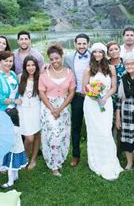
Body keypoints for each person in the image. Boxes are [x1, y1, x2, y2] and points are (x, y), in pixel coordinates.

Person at [81, 43, 122, 180]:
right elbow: (83, 88)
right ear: (92, 54)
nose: (97, 54)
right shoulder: (88, 69)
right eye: (95, 52)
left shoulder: (111, 68)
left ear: (104, 54)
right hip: (91, 105)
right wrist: (93, 94)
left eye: (100, 52)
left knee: (105, 131)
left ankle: (109, 160)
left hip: (106, 102)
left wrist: (104, 97)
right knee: (94, 132)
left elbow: (114, 87)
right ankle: (96, 161)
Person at [39, 44, 75, 176]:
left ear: (61, 57)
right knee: (52, 135)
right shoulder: (44, 73)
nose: (55, 61)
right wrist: (52, 109)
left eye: (57, 58)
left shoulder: (69, 72)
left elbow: (71, 93)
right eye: (52, 59)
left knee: (62, 135)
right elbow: (41, 92)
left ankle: (60, 158)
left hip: (64, 107)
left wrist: (60, 108)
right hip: (48, 106)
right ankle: (53, 165)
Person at [0, 51, 20, 172]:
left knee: (9, 138)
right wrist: (15, 101)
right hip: (0, 111)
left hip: (12, 111)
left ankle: (7, 163)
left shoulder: (12, 74)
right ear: (0, 62)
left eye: (11, 61)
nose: (8, 63)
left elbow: (16, 91)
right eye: (6, 61)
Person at [63, 33, 90, 167]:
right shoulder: (68, 58)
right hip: (76, 97)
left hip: (92, 97)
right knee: (76, 126)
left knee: (93, 126)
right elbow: (61, 72)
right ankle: (75, 155)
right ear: (75, 44)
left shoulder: (95, 56)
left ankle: (94, 155)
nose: (81, 46)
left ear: (88, 44)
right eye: (79, 43)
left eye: (84, 43)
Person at [17, 55, 42, 170]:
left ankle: (33, 159)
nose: (31, 67)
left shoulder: (40, 78)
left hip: (36, 109)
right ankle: (25, 158)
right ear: (24, 66)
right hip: (23, 110)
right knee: (29, 138)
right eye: (28, 65)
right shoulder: (19, 77)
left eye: (33, 65)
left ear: (36, 66)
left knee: (36, 134)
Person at [1, 108, 28, 189]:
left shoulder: (12, 130)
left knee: (10, 167)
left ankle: (10, 182)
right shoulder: (15, 126)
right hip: (18, 150)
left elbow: (11, 142)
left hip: (13, 151)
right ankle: (15, 177)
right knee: (15, 166)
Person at [107, 41, 126, 156]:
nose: (114, 51)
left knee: (120, 126)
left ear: (120, 50)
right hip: (109, 99)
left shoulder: (126, 63)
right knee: (109, 126)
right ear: (108, 53)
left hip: (124, 99)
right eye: (111, 50)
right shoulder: (105, 65)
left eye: (116, 49)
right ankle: (109, 151)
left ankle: (119, 152)